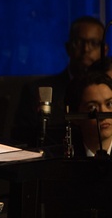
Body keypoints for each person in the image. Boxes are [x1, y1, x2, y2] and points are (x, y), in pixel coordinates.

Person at [13, 16, 106, 146]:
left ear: (105, 50)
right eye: (79, 42)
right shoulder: (36, 92)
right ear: (68, 47)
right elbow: (21, 142)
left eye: (94, 43)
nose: (86, 49)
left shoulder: (109, 92)